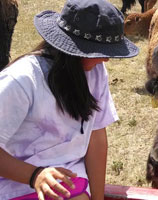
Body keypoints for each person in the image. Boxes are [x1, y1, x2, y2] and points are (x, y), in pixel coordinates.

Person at [0, 0, 139, 199]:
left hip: (70, 182)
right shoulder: (21, 80)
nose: (107, 59)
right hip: (15, 184)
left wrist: (97, 198)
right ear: (74, 51)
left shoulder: (95, 73)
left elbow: (96, 137)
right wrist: (34, 176)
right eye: (101, 52)